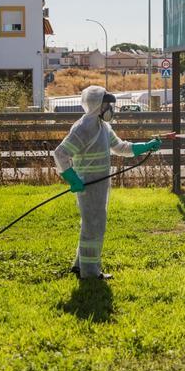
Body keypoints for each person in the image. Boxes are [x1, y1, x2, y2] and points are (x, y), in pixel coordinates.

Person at [54, 86, 161, 280]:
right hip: (88, 185)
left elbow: (120, 147)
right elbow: (60, 153)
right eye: (107, 104)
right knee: (94, 226)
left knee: (91, 224)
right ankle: (90, 272)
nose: (110, 108)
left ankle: (80, 265)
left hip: (99, 185)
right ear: (97, 105)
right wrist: (72, 178)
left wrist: (145, 146)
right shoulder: (84, 128)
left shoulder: (102, 126)